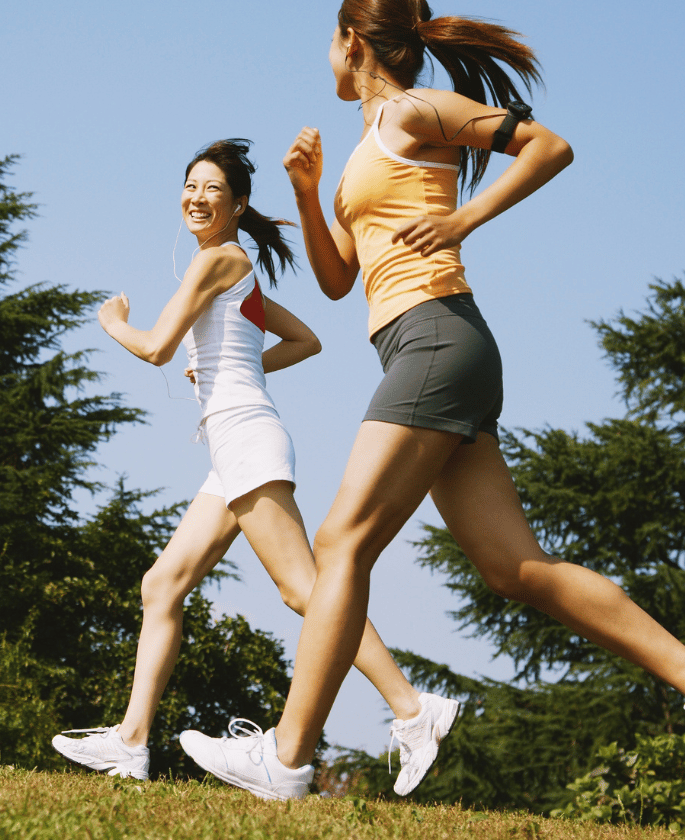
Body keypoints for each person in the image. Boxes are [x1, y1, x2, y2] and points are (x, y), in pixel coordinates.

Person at [179, 0, 685, 800]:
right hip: (428, 346)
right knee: (516, 569)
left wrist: (465, 221)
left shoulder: (415, 109)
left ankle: (286, 758)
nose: (324, 57)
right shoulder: (368, 143)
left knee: (341, 543)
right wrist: (305, 190)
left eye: (328, 42)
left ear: (351, 43)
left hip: (435, 337)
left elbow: (549, 145)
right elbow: (335, 282)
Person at [52, 138, 459, 795]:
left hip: (245, 438)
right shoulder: (235, 268)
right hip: (233, 444)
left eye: (212, 188)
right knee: (162, 586)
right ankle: (130, 741)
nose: (197, 195)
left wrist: (114, 320)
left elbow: (155, 347)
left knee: (305, 589)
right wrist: (230, 367)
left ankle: (413, 709)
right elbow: (306, 340)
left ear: (238, 204)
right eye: (190, 184)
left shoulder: (221, 258)